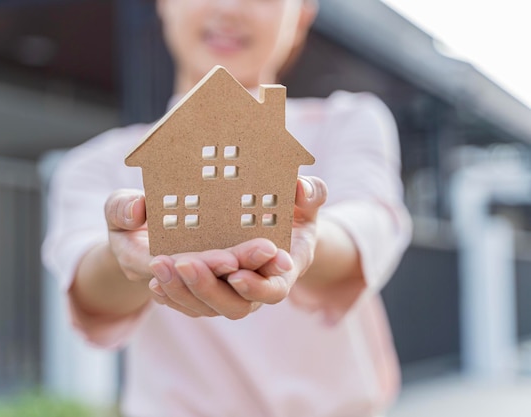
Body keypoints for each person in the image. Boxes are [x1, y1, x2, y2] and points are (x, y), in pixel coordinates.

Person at [42, 0, 412, 416]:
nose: (229, 9)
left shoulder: (348, 120)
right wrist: (123, 255)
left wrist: (304, 234)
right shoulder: (96, 163)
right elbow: (86, 281)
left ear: (303, 15)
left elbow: (372, 221)